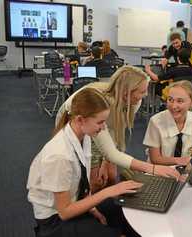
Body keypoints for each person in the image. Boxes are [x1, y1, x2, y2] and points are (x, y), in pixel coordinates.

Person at [27, 88, 142, 237]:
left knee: (123, 207)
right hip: (55, 221)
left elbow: (81, 187)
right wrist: (108, 191)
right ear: (80, 119)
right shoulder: (59, 156)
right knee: (113, 225)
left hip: (74, 204)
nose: (103, 128)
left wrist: (93, 209)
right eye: (100, 122)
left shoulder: (84, 136)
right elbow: (64, 213)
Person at [56, 65, 180, 192]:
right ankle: (87, 203)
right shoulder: (101, 106)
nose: (146, 95)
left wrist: (105, 161)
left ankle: (104, 203)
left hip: (98, 123)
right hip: (76, 121)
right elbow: (108, 149)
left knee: (111, 175)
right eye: (142, 91)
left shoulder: (133, 102)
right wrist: (151, 168)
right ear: (127, 93)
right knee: (93, 179)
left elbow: (115, 131)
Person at [143, 80, 192, 168]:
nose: (173, 106)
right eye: (170, 100)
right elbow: (155, 158)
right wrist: (178, 161)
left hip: (185, 171)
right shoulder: (156, 121)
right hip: (160, 170)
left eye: (180, 101)